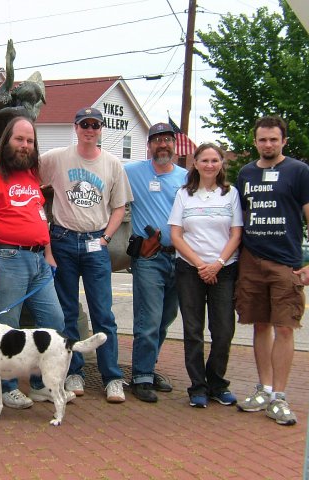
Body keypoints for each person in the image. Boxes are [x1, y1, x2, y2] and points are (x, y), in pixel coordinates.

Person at [0, 116, 72, 409]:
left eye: (30, 141)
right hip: (9, 258)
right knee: (6, 327)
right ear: (6, 141)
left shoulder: (30, 175)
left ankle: (41, 384)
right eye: (19, 139)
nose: (25, 146)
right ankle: (9, 388)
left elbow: (39, 216)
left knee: (54, 321)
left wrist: (48, 252)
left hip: (39, 260)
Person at [40, 107, 132, 403]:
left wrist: (106, 237)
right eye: (84, 125)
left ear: (101, 129)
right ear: (76, 127)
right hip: (63, 240)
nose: (89, 130)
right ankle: (74, 371)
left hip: (96, 243)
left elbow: (119, 206)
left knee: (103, 313)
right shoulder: (56, 158)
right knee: (66, 313)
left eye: (95, 125)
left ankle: (112, 377)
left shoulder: (112, 164)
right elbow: (29, 181)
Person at [235, 116, 309, 426]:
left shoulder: (298, 172)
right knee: (260, 325)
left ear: (283, 140)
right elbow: (239, 218)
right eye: (262, 139)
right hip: (251, 260)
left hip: (286, 262)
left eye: (274, 139)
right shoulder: (246, 174)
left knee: (285, 327)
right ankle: (265, 389)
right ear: (255, 141)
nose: (268, 144)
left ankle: (280, 398)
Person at [168, 143, 242, 408]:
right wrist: (200, 264)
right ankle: (197, 387)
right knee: (193, 330)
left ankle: (216, 383)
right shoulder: (184, 195)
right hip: (190, 269)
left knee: (223, 331)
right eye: (204, 160)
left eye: (214, 160)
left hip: (224, 269)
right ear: (195, 164)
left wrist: (218, 264)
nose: (209, 165)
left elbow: (236, 234)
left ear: (221, 163)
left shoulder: (230, 193)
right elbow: (176, 235)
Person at [124, 122, 187, 403]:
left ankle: (148, 368)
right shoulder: (132, 172)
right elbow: (102, 177)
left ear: (175, 145)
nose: (163, 145)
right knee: (148, 320)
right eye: (157, 140)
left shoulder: (187, 178)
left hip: (180, 257)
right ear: (149, 145)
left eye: (167, 140)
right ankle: (141, 376)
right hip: (149, 257)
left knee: (165, 320)